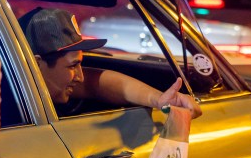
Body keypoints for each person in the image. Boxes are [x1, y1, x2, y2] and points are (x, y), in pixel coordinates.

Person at [20, 7, 202, 119]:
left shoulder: (45, 82)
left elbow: (99, 84)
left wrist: (158, 100)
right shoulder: (9, 107)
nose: (81, 76)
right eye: (72, 66)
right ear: (36, 64)